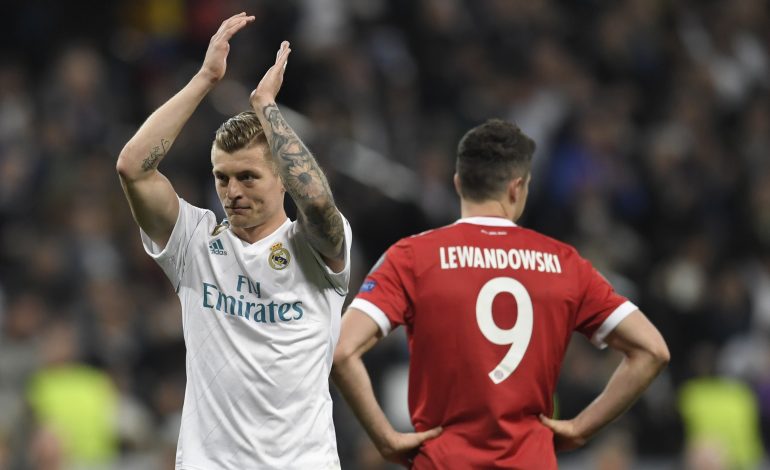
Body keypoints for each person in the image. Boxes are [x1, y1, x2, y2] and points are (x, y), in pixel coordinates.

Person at [332, 119, 669, 469]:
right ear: (517, 187)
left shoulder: (412, 257)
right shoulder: (564, 262)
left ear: (458, 183)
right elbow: (652, 350)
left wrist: (384, 438)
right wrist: (580, 429)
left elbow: (342, 350)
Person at [116, 13, 351, 470]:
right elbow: (133, 168)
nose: (233, 191)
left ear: (282, 178)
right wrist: (205, 78)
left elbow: (318, 201)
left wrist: (266, 106)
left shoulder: (313, 246)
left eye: (248, 176)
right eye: (222, 178)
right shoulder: (194, 243)